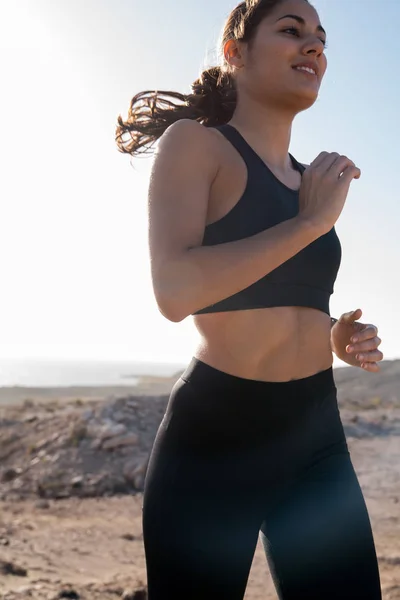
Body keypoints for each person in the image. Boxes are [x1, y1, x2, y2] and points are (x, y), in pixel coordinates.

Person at [116, 0, 384, 598]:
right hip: (216, 439)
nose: (314, 45)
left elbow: (283, 295)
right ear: (234, 52)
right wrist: (309, 225)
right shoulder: (198, 145)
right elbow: (176, 291)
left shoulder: (303, 177)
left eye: (321, 37)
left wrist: (334, 334)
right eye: (292, 31)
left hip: (316, 434)